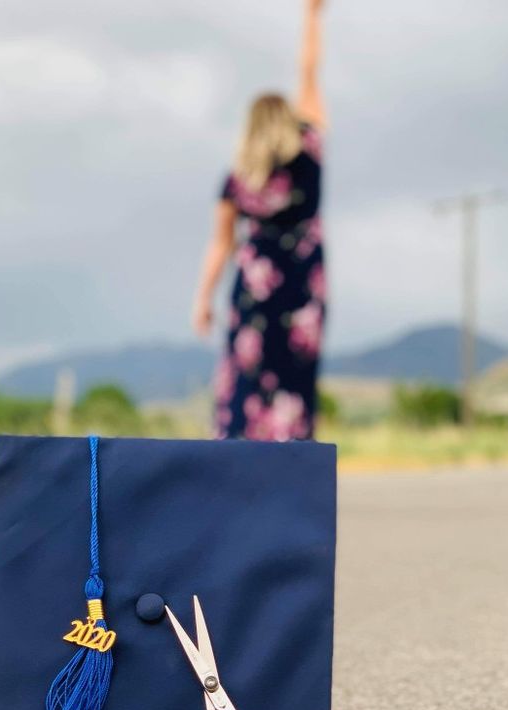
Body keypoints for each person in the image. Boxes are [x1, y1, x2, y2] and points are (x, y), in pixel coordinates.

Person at [193, 0, 327, 441]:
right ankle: (292, 463)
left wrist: (203, 299)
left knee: (246, 379)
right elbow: (308, 72)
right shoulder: (309, 148)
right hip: (303, 283)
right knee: (294, 381)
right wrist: (312, 17)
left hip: (256, 285)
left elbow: (220, 244)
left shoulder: (236, 181)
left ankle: (237, 464)